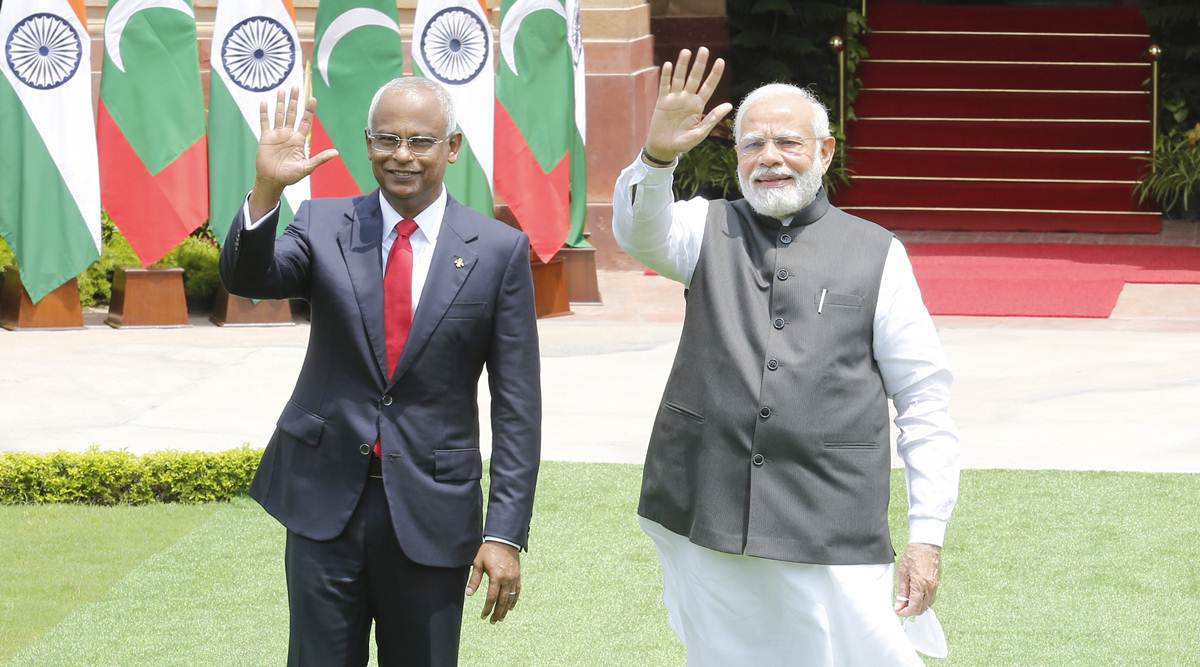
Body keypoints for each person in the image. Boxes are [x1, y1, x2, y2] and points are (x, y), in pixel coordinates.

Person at [613, 47, 961, 666]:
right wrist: (657, 157)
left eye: (788, 142)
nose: (769, 157)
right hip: (710, 507)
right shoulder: (704, 229)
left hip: (832, 516)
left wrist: (926, 535)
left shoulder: (877, 252)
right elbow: (640, 231)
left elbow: (923, 397)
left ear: (824, 153)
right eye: (752, 144)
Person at [219, 78, 541, 667]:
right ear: (368, 144)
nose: (402, 155)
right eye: (387, 139)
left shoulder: (499, 251)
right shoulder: (322, 224)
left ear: (452, 147)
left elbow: (517, 406)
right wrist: (267, 189)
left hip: (433, 509)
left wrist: (503, 533)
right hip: (325, 501)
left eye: (421, 141)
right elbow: (249, 278)